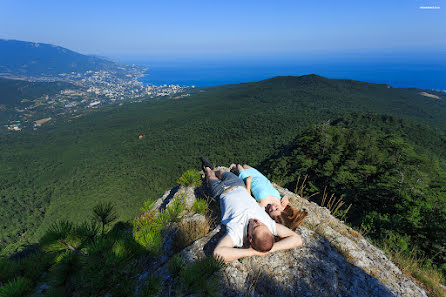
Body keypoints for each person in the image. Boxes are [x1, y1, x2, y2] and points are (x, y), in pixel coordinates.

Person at [200, 157, 302, 262]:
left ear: (250, 238)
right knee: (221, 172)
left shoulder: (237, 233)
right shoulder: (269, 225)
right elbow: (297, 239)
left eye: (256, 226)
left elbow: (218, 253)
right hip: (238, 184)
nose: (258, 221)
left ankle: (207, 168)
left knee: (210, 175)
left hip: (220, 192)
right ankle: (214, 170)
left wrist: (252, 252)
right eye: (262, 224)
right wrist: (269, 250)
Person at [229, 164, 308, 230]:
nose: (272, 206)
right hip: (263, 179)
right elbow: (280, 195)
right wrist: (285, 197)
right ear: (282, 211)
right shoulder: (283, 205)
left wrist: (248, 183)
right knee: (246, 166)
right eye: (276, 208)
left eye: (271, 210)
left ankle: (234, 169)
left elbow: (248, 198)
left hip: (250, 179)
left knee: (239, 166)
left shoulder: (262, 208)